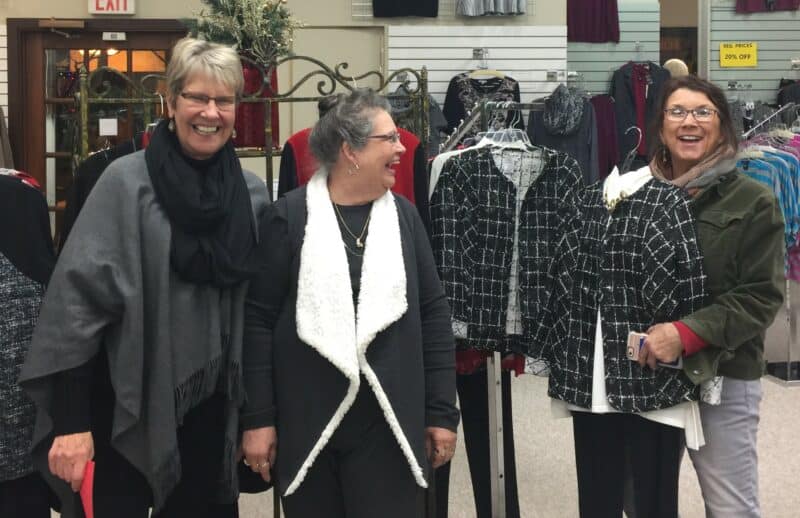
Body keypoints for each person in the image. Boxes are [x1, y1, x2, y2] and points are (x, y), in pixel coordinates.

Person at [19, 37, 269, 518]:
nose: (210, 112)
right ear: (171, 101)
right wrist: (70, 423)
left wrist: (257, 416)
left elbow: (258, 315)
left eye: (224, 100)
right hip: (124, 408)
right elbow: (76, 309)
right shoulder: (124, 184)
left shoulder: (251, 195)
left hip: (212, 410)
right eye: (197, 96)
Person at [240, 88, 460, 517]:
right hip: (308, 425)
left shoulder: (405, 218)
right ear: (350, 151)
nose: (402, 148)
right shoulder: (288, 218)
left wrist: (440, 413)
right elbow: (257, 323)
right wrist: (258, 419)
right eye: (390, 139)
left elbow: (433, 316)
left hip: (390, 426)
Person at [642, 75, 785, 517]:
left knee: (730, 507)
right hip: (647, 375)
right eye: (678, 111)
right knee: (643, 502)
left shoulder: (754, 200)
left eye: (704, 112)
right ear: (661, 125)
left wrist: (685, 333)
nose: (691, 121)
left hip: (723, 374)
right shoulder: (636, 194)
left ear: (723, 126)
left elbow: (761, 296)